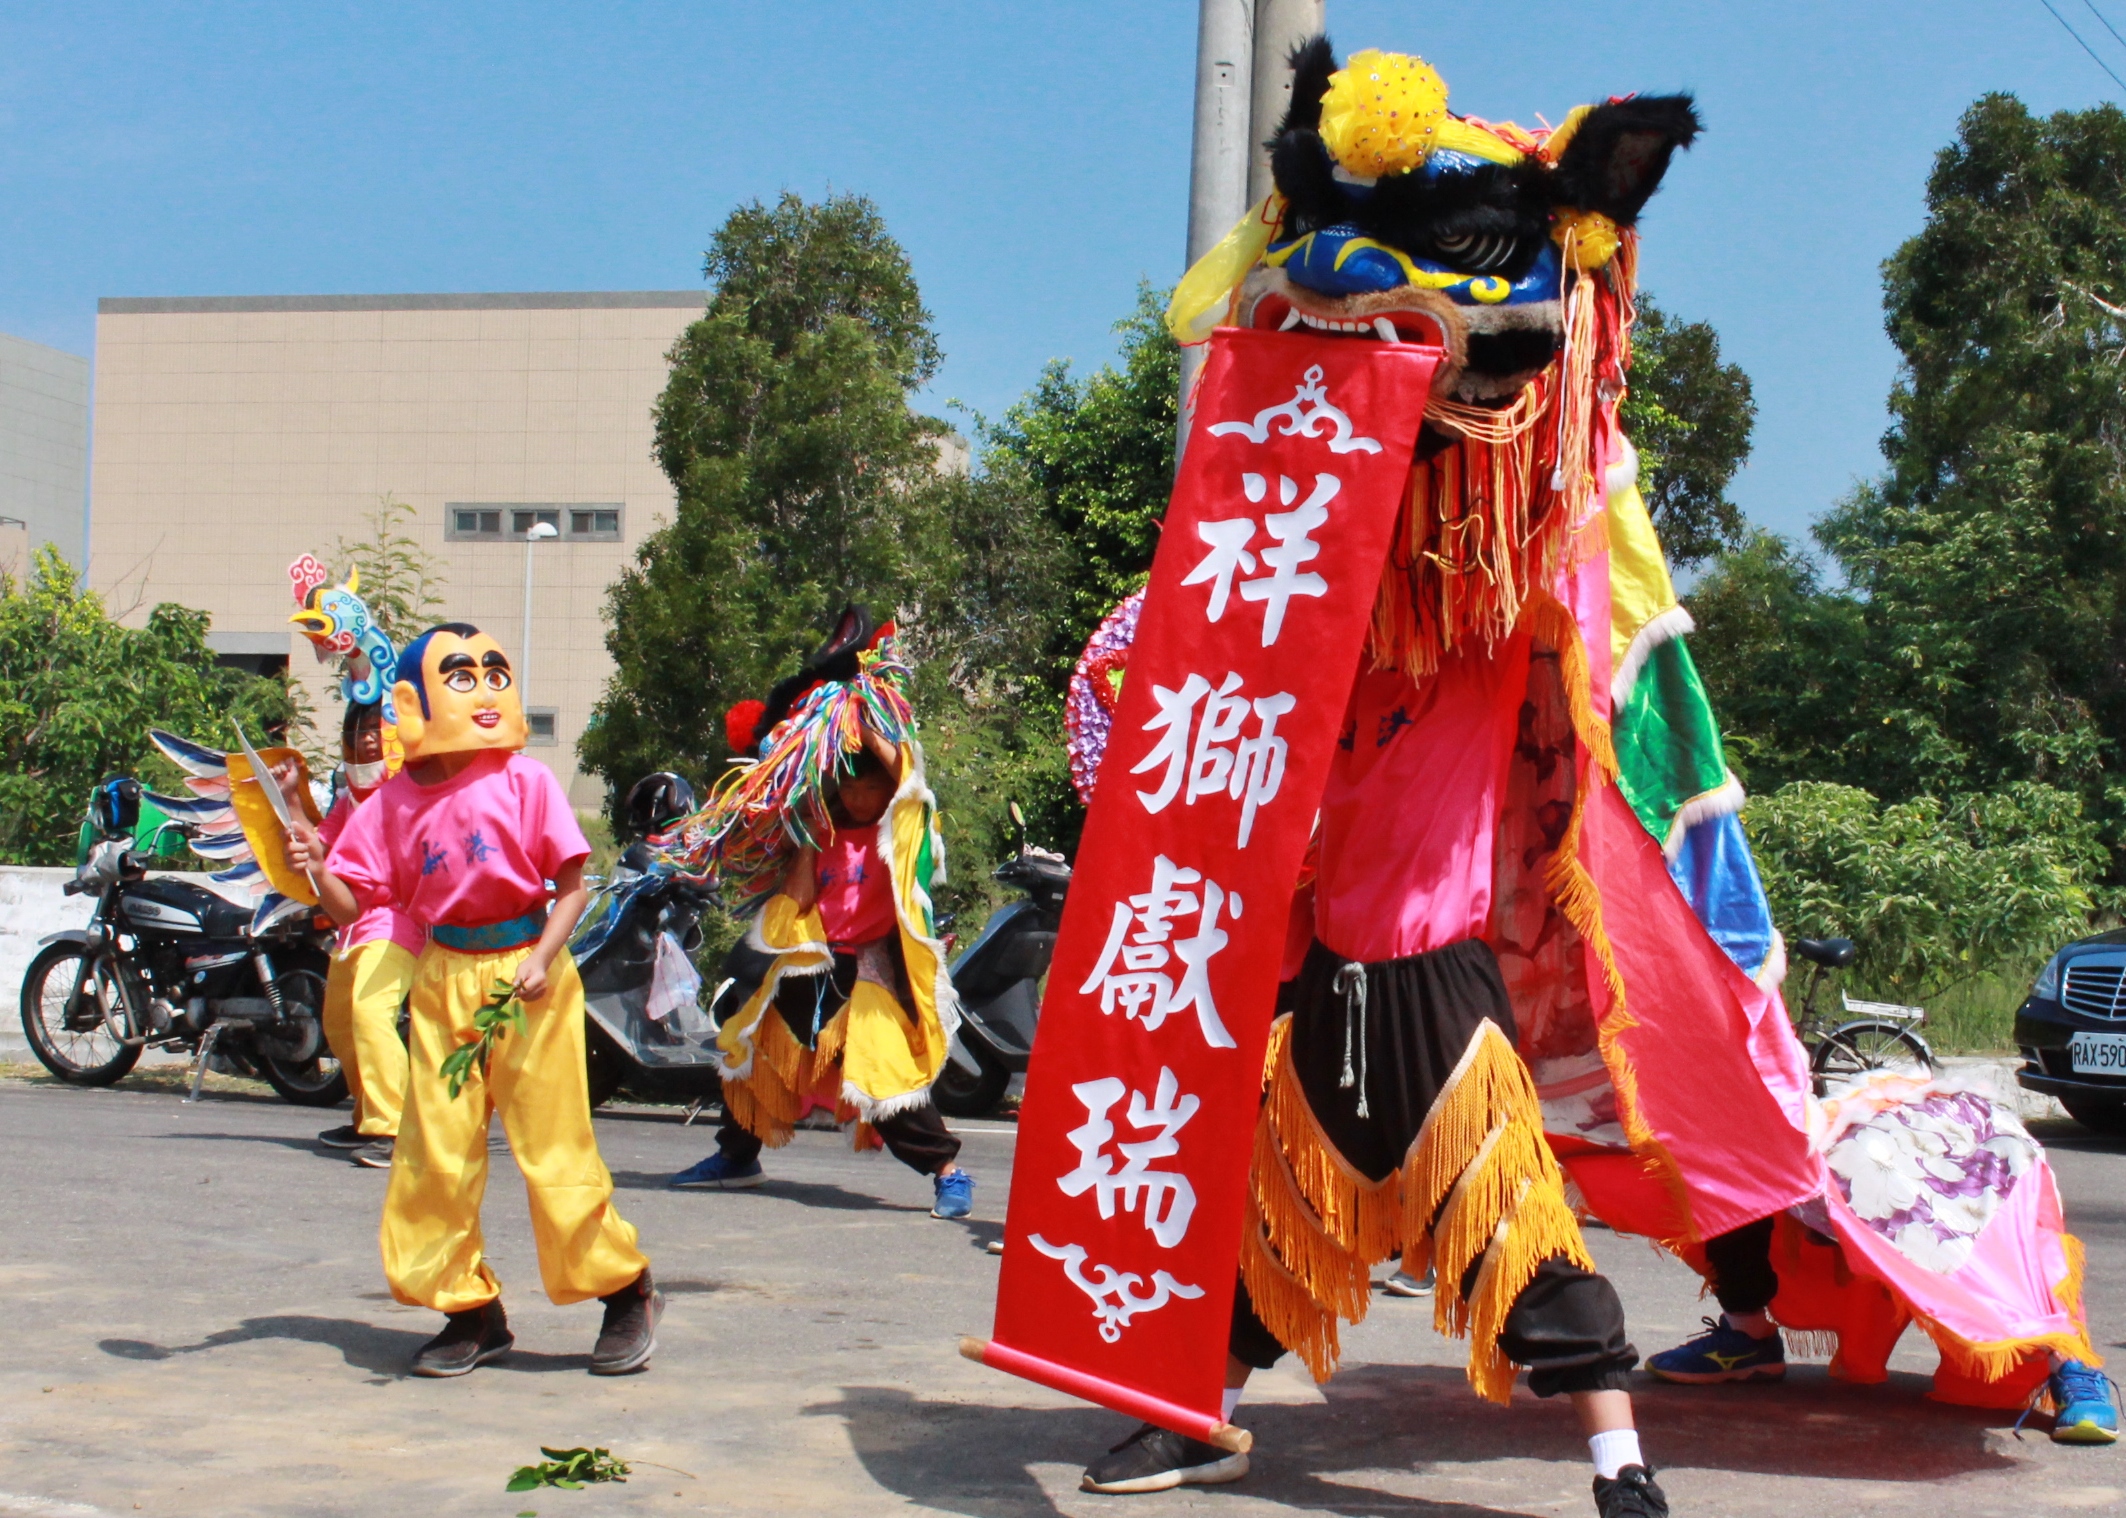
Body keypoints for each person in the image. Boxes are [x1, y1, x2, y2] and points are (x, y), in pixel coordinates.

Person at [289, 622, 657, 1378]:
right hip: (444, 979)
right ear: (416, 701)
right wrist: (315, 861)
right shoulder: (388, 804)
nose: (486, 691)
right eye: (462, 676)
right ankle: (469, 1310)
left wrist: (544, 960)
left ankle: (625, 1290)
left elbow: (573, 888)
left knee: (553, 1146)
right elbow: (348, 905)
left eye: (495, 673)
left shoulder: (526, 782)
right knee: (434, 1156)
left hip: (531, 976)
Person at [662, 609, 973, 1220]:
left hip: (876, 969)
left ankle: (948, 1172)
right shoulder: (820, 831)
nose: (860, 796)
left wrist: (857, 702)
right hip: (815, 964)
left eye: (870, 787)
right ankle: (737, 1157)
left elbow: (906, 773)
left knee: (884, 1073)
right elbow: (799, 900)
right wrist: (806, 834)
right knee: (750, 1053)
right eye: (848, 787)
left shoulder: (904, 829)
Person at [286, 700, 415, 1168]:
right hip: (354, 926)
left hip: (400, 922)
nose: (366, 738)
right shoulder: (350, 801)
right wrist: (289, 800)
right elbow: (317, 846)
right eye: (358, 729)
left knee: (369, 1013)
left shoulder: (408, 787)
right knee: (339, 1023)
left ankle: (393, 1126)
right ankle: (367, 1117)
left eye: (376, 728)